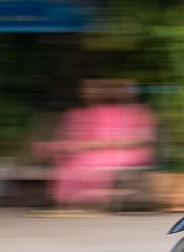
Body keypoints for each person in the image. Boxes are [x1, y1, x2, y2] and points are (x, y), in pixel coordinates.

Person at [33, 78, 156, 212]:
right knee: (76, 161)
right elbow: (78, 137)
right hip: (97, 151)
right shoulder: (85, 113)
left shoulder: (139, 112)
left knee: (86, 162)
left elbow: (142, 140)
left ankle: (87, 200)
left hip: (124, 152)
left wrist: (94, 145)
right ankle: (77, 200)